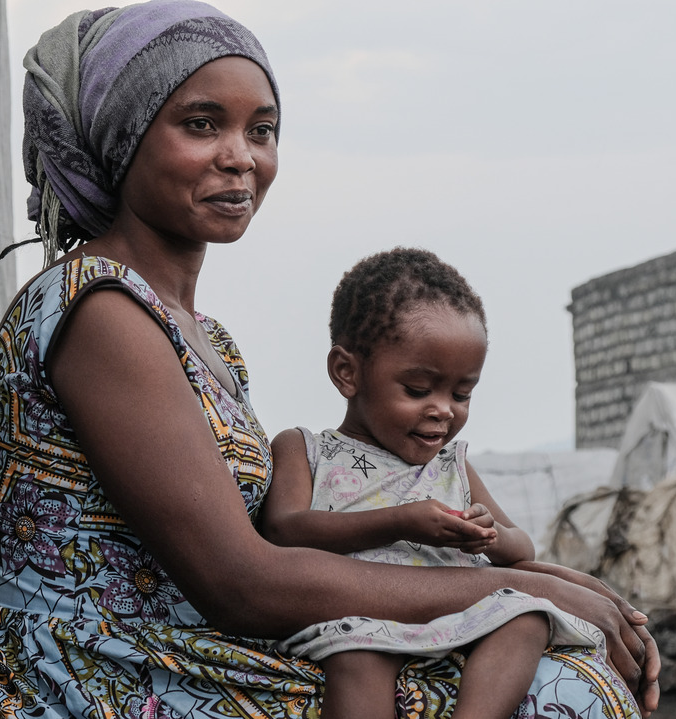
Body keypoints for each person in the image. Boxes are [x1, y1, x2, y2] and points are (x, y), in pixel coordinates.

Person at [0, 1, 661, 717]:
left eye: (263, 130)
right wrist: (525, 590)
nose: (242, 156)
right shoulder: (99, 308)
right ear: (122, 135)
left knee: (556, 655)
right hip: (87, 673)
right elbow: (242, 580)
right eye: (202, 124)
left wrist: (560, 581)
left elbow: (273, 544)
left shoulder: (206, 338)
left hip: (175, 654)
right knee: (565, 693)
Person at [260, 247, 615, 719]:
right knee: (360, 657)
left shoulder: (452, 465)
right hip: (358, 616)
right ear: (347, 372)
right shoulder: (305, 450)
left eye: (462, 393)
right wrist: (400, 521)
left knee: (528, 619)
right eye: (418, 390)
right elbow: (282, 531)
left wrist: (487, 534)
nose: (444, 409)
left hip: (459, 615)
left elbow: (520, 549)